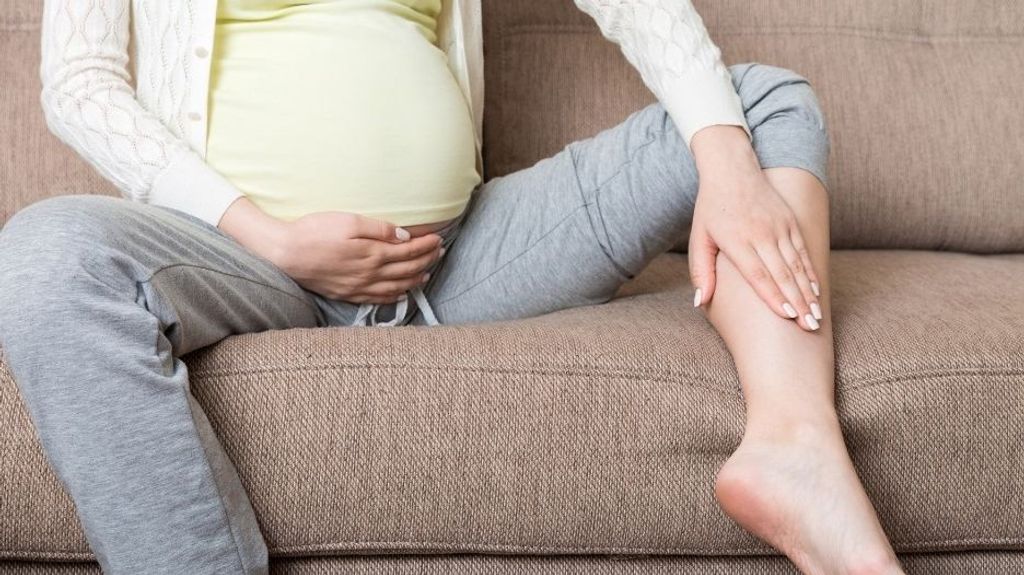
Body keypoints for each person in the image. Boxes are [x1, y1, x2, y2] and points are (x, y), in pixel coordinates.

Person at [0, 0, 905, 574]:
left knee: (759, 108)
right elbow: (79, 86)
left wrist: (722, 160)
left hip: (462, 259)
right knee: (45, 257)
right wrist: (268, 235)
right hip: (235, 260)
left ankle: (794, 447)